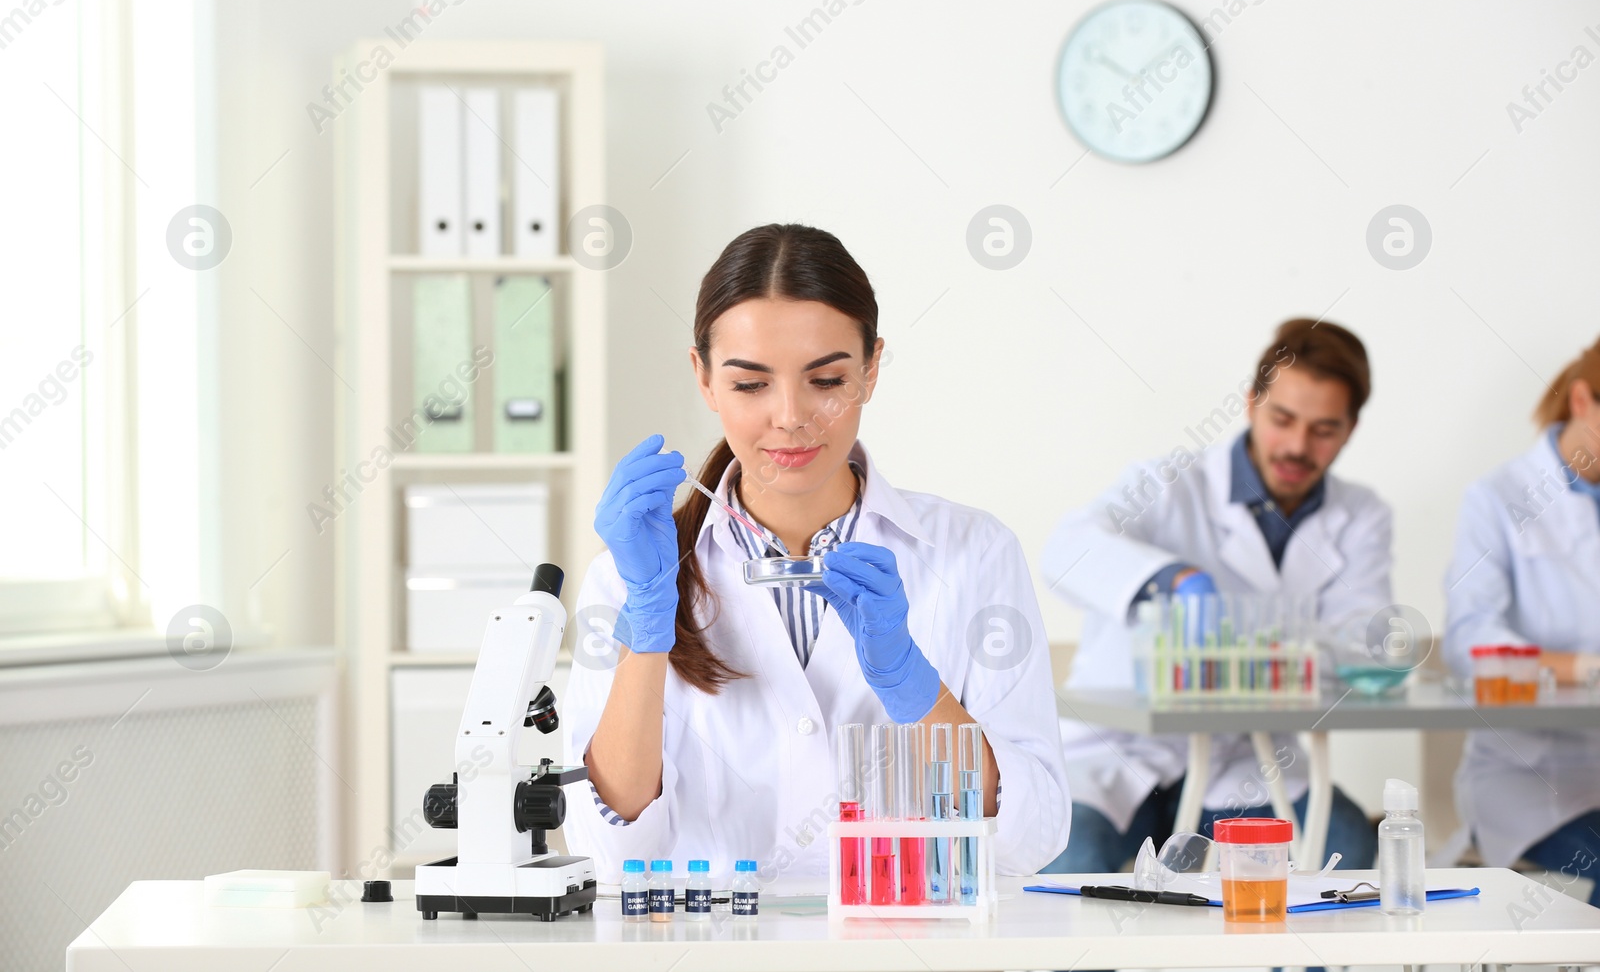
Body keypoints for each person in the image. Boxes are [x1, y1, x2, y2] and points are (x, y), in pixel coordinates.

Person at [562, 223, 1070, 882]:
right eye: (750, 385)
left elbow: (1033, 836)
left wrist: (913, 686)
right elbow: (608, 853)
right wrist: (651, 623)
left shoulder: (975, 552)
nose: (792, 415)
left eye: (826, 378)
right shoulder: (630, 577)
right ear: (704, 378)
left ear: (871, 369)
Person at [1039, 319, 1387, 873]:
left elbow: (1361, 645)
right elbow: (1066, 551)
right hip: (1119, 750)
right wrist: (1172, 578)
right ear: (1251, 403)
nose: (1298, 446)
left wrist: (1258, 650)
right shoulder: (1169, 485)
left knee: (1345, 847)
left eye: (1324, 429)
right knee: (1070, 859)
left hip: (1245, 757)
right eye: (1283, 419)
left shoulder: (1360, 517)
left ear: (1350, 429)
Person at [1444, 335, 1600, 905]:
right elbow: (1470, 641)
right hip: (1533, 778)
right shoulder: (1496, 498)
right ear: (1582, 400)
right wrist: (1586, 668)